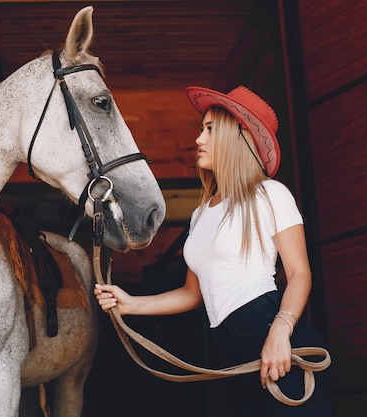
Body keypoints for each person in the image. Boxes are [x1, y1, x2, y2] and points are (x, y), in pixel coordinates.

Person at [94, 86, 332, 416]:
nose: (198, 140)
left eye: (209, 129)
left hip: (273, 338)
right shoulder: (201, 212)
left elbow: (299, 274)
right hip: (230, 350)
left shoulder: (270, 194)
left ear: (239, 137)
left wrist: (281, 330)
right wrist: (132, 304)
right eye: (200, 129)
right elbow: (194, 294)